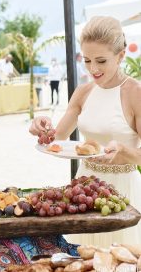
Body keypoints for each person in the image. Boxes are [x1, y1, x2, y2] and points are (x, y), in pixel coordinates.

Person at [29, 16, 141, 247]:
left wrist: (123, 150)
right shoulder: (83, 92)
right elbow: (55, 139)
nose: (93, 69)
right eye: (87, 60)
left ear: (121, 56)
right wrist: (40, 125)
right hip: (83, 190)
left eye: (101, 61)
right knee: (83, 258)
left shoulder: (135, 93)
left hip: (124, 191)